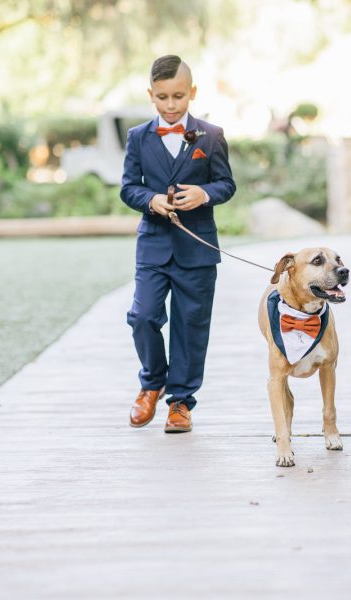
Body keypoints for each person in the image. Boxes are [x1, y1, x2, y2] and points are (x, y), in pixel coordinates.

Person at [120, 55, 236, 433]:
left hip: (197, 248)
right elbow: (128, 188)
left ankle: (181, 403)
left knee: (190, 326)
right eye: (163, 97)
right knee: (143, 316)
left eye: (179, 97)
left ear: (193, 93)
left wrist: (204, 194)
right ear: (151, 95)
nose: (171, 106)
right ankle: (151, 382)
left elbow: (226, 184)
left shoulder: (212, 135)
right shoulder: (138, 136)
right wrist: (150, 200)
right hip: (153, 245)